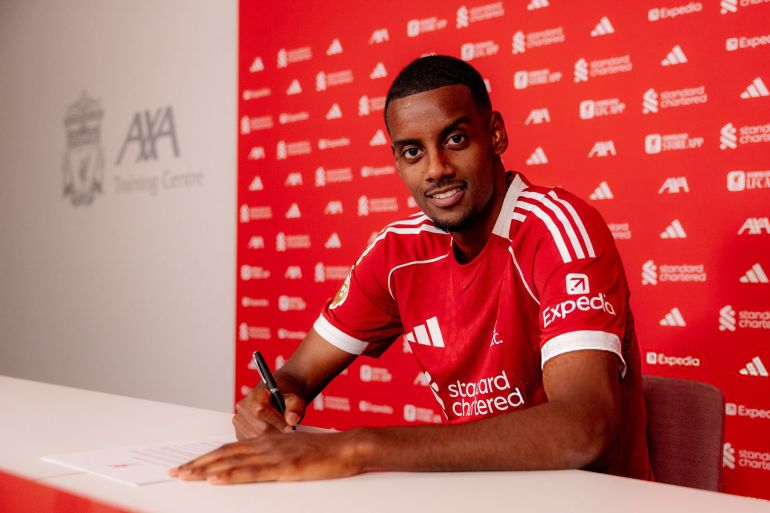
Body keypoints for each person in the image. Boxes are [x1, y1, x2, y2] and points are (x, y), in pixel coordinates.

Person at [170, 55, 653, 484]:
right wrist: (270, 402)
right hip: (472, 495)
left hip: (588, 499)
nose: (436, 169)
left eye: (456, 139)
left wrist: (356, 447)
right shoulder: (397, 253)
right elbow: (298, 373)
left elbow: (584, 428)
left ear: (497, 134)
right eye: (412, 152)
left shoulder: (560, 230)